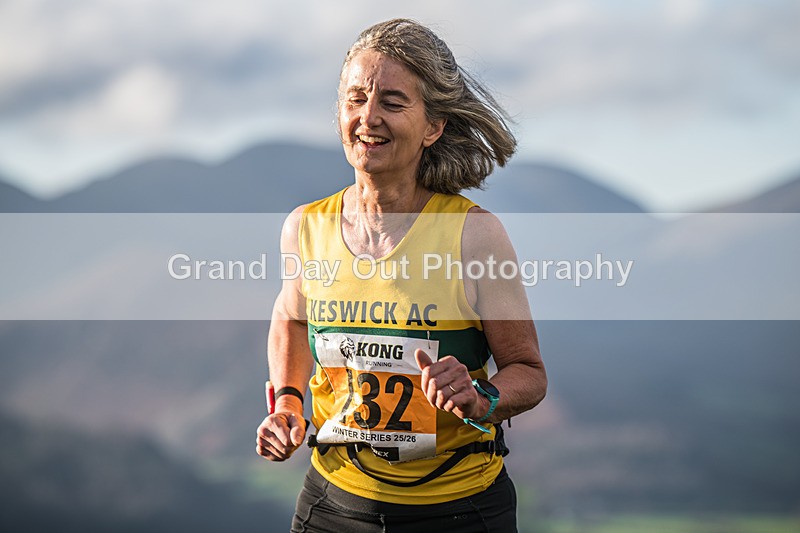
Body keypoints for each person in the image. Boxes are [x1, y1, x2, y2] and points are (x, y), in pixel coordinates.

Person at [256, 19, 547, 532]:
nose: (368, 117)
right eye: (355, 98)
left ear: (432, 127)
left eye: (392, 102)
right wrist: (288, 403)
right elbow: (292, 319)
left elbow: (528, 371)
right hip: (333, 503)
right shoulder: (305, 227)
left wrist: (484, 398)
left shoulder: (474, 235)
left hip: (460, 508)